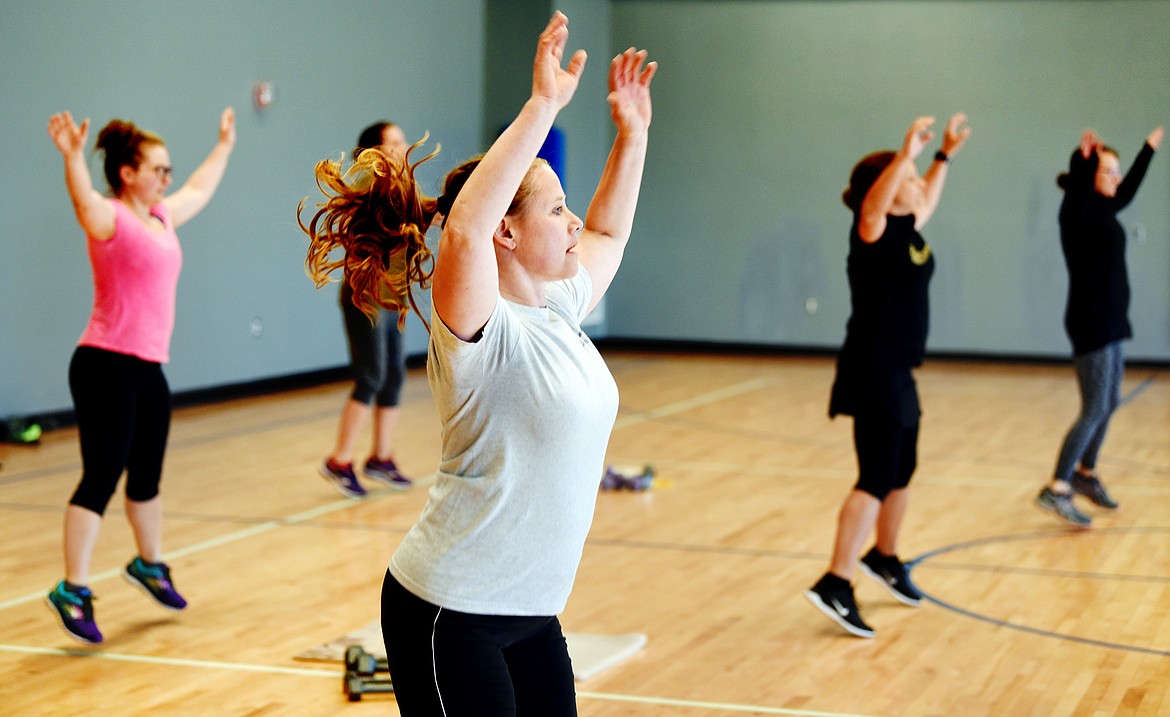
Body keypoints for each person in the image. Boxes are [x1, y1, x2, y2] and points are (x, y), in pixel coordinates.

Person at [300, 12, 655, 714]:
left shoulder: (558, 305)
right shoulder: (478, 328)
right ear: (506, 229)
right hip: (449, 612)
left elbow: (610, 227)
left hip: (532, 613)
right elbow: (462, 228)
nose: (573, 220)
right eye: (557, 209)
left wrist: (634, 134)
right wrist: (543, 105)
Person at [44, 108, 236, 644]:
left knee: (146, 473)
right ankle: (73, 587)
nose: (167, 179)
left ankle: (148, 564)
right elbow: (82, 201)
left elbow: (198, 189)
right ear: (128, 173)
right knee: (102, 473)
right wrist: (72, 157)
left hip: (148, 367)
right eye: (158, 169)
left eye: (168, 170)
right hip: (105, 363)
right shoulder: (111, 217)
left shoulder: (160, 217)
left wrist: (223, 145)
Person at [805, 114, 970, 638]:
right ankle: (835, 580)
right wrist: (906, 154)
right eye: (910, 180)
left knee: (903, 471)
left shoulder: (907, 227)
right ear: (889, 187)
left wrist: (943, 155)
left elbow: (927, 196)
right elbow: (875, 201)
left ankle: (886, 556)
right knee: (876, 477)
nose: (919, 186)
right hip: (872, 369)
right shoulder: (871, 228)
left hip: (900, 370)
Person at [1036, 126, 1163, 527]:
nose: (1117, 178)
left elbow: (1128, 191)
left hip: (1112, 319)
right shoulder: (1076, 212)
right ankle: (1057, 486)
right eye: (1109, 171)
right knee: (1094, 407)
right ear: (1089, 176)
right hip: (1091, 321)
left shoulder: (1104, 208)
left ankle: (1085, 473)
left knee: (1109, 403)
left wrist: (1147, 151)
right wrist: (1084, 159)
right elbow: (1080, 186)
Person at [318, 121, 416, 498]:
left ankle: (381, 458)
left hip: (393, 298)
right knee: (371, 377)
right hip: (366, 297)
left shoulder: (404, 185)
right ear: (373, 151)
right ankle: (339, 461)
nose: (403, 146)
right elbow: (398, 216)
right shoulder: (368, 184)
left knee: (393, 378)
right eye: (395, 141)